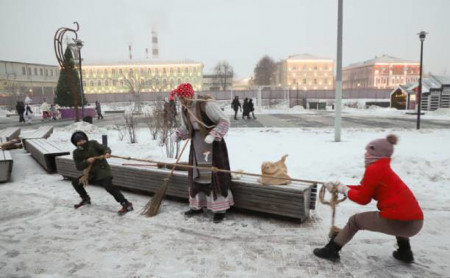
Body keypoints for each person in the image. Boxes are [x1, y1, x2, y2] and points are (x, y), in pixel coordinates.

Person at [314, 135, 424, 263]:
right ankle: (405, 251)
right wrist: (338, 187)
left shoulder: (374, 169)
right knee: (398, 213)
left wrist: (344, 189)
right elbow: (365, 188)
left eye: (368, 151)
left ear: (377, 153)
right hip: (415, 223)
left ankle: (331, 250)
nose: (365, 154)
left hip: (402, 224)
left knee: (355, 221)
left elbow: (363, 198)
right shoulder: (383, 168)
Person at [171, 83, 233, 223]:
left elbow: (224, 121)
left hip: (213, 144)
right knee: (196, 175)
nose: (181, 101)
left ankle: (219, 210)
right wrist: (178, 134)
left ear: (188, 94)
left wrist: (214, 134)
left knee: (214, 175)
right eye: (179, 99)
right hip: (197, 144)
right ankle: (197, 206)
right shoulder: (185, 108)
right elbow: (186, 127)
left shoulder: (206, 104)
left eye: (182, 98)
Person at [70, 131, 133, 215]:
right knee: (76, 182)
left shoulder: (93, 143)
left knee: (108, 186)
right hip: (90, 173)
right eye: (79, 141)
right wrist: (87, 161)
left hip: (102, 169)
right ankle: (85, 199)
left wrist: (107, 152)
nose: (82, 142)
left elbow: (104, 148)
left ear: (86, 139)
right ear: (76, 143)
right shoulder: (76, 153)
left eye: (83, 140)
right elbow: (78, 166)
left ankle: (126, 204)